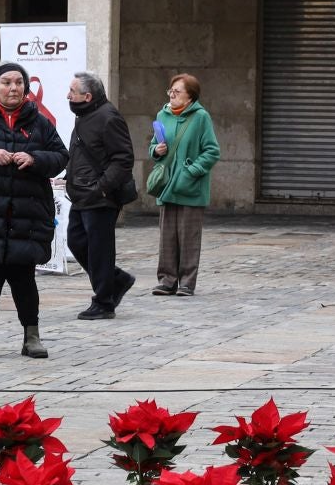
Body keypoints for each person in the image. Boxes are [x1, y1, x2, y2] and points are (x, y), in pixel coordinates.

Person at [0, 62, 67, 361]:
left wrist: (34, 158)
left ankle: (31, 336)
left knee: (25, 278)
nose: (13, 88)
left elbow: (61, 155)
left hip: (28, 211)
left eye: (19, 83)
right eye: (7, 82)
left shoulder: (39, 121)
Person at [66, 72, 137, 320]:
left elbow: (123, 158)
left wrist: (103, 187)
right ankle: (116, 279)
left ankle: (104, 301)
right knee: (76, 241)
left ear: (87, 96)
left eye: (72, 92)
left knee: (99, 249)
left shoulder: (108, 117)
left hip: (100, 196)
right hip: (82, 194)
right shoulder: (85, 115)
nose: (68, 95)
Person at [149, 73, 220, 296]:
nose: (172, 94)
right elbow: (154, 145)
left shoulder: (201, 117)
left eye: (177, 91)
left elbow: (212, 151)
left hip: (191, 188)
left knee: (189, 237)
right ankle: (167, 280)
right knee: (167, 237)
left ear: (190, 97)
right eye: (170, 90)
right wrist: (156, 150)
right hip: (168, 185)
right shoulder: (162, 114)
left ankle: (187, 282)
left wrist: (192, 171)